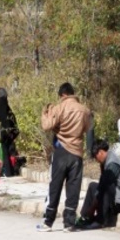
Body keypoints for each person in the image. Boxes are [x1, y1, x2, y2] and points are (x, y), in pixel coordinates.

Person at [37, 82, 93, 232]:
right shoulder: (84, 110)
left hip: (61, 151)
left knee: (54, 187)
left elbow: (46, 126)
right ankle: (69, 223)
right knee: (73, 188)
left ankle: (48, 222)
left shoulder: (59, 108)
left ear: (63, 94)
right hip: (77, 153)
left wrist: (45, 113)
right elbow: (88, 128)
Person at [77, 139, 120, 229]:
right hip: (115, 197)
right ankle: (85, 217)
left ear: (100, 152)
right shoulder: (106, 161)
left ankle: (101, 221)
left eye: (95, 157)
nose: (96, 160)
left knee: (106, 187)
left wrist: (93, 207)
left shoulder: (113, 163)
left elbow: (105, 185)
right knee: (92, 186)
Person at [0, 87, 20, 177]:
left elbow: (1, 116)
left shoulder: (2, 103)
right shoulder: (6, 104)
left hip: (5, 131)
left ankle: (8, 172)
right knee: (8, 151)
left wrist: (6, 130)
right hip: (9, 131)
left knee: (5, 151)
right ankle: (10, 171)